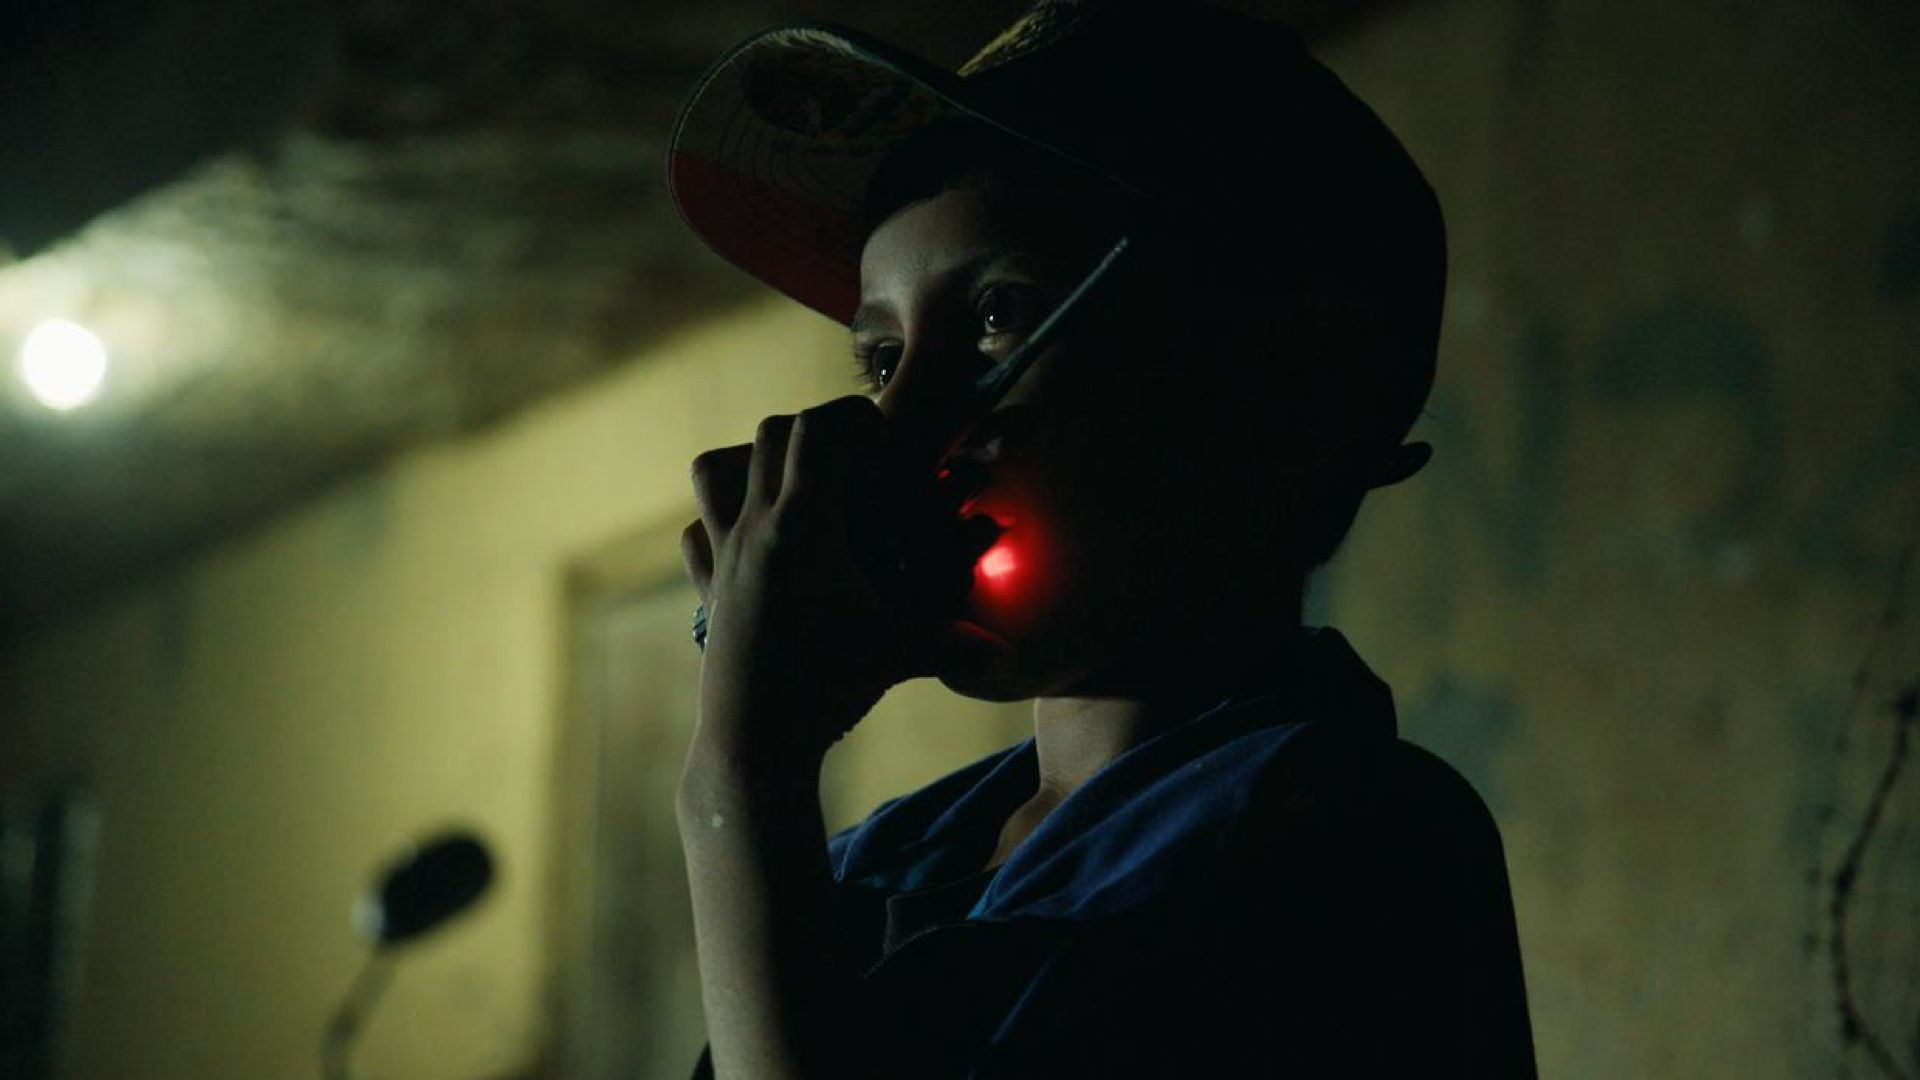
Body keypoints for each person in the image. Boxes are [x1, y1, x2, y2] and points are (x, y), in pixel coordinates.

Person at [667, 2, 1537, 1076]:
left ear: (1292, 399)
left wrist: (741, 780)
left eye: (1000, 315)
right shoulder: (886, 861)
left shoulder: (1358, 841)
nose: (902, 427)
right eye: (883, 361)